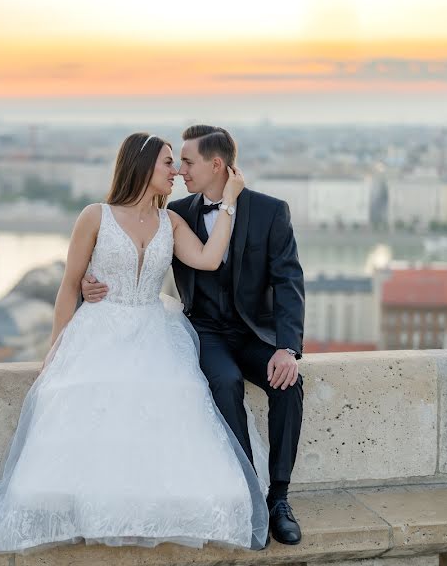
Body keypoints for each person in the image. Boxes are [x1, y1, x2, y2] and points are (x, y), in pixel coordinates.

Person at [0, 132, 269, 553]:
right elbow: (67, 285)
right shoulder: (94, 216)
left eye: (177, 163)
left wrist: (229, 202)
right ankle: (94, 513)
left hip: (155, 332)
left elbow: (208, 259)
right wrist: (56, 346)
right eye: (168, 163)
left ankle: (145, 515)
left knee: (162, 418)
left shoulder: (170, 222)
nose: (176, 172)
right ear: (141, 165)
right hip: (99, 330)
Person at [82, 125, 305, 545]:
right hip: (206, 331)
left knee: (289, 385)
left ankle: (278, 499)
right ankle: (247, 494)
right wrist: (87, 283)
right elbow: (126, 245)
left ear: (216, 164)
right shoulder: (176, 213)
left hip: (256, 334)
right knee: (224, 382)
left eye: (187, 162)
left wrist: (287, 348)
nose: (181, 170)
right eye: (176, 162)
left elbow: (289, 282)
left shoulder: (271, 211)